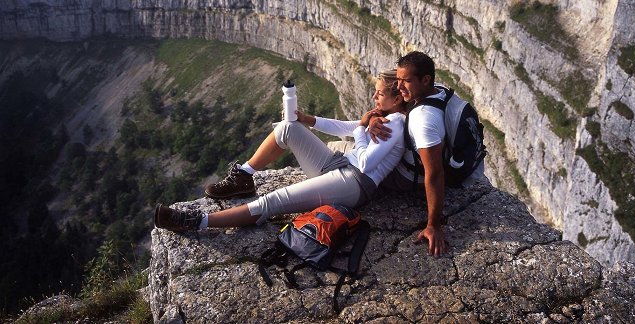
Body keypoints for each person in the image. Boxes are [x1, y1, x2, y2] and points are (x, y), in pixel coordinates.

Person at [154, 70, 407, 233]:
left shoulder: (394, 124)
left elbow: (363, 162)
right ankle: (244, 175)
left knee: (274, 201)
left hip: (353, 183)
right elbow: (347, 127)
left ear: (397, 100)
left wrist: (363, 129)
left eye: (380, 93)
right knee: (288, 127)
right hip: (340, 164)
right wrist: (304, 118)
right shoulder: (382, 115)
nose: (374, 96)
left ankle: (197, 221)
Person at [369, 51, 486, 258]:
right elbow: (399, 104)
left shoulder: (424, 120)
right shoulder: (437, 91)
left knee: (347, 159)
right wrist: (374, 117)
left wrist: (433, 225)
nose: (399, 86)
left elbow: (434, 173)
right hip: (417, 164)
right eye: (398, 80)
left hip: (406, 177)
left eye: (406, 81)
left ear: (425, 80)